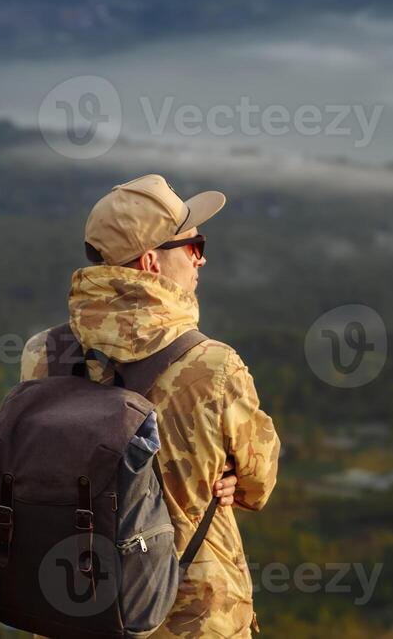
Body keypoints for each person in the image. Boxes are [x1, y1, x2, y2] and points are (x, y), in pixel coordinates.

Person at [21, 175, 279, 637]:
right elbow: (258, 483)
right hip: (189, 615)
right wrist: (230, 482)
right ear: (150, 262)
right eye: (193, 244)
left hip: (74, 605)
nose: (201, 257)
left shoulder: (42, 353)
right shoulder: (214, 365)